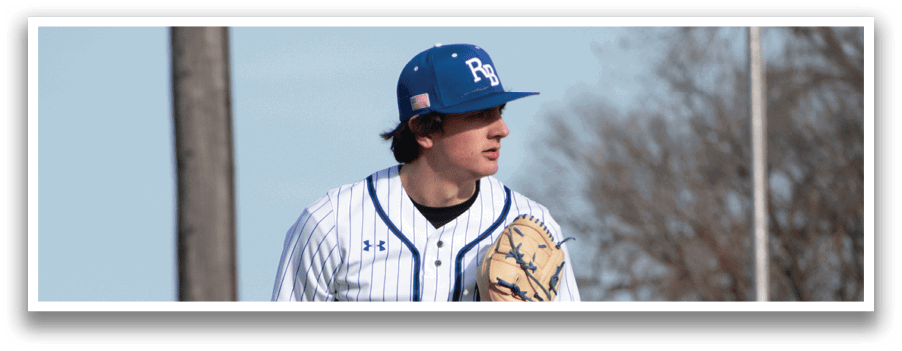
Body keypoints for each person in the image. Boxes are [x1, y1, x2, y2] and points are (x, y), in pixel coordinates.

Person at [271, 43, 580, 301]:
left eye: (499, 112)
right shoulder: (332, 224)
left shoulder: (534, 225)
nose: (502, 129)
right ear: (423, 129)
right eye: (480, 115)